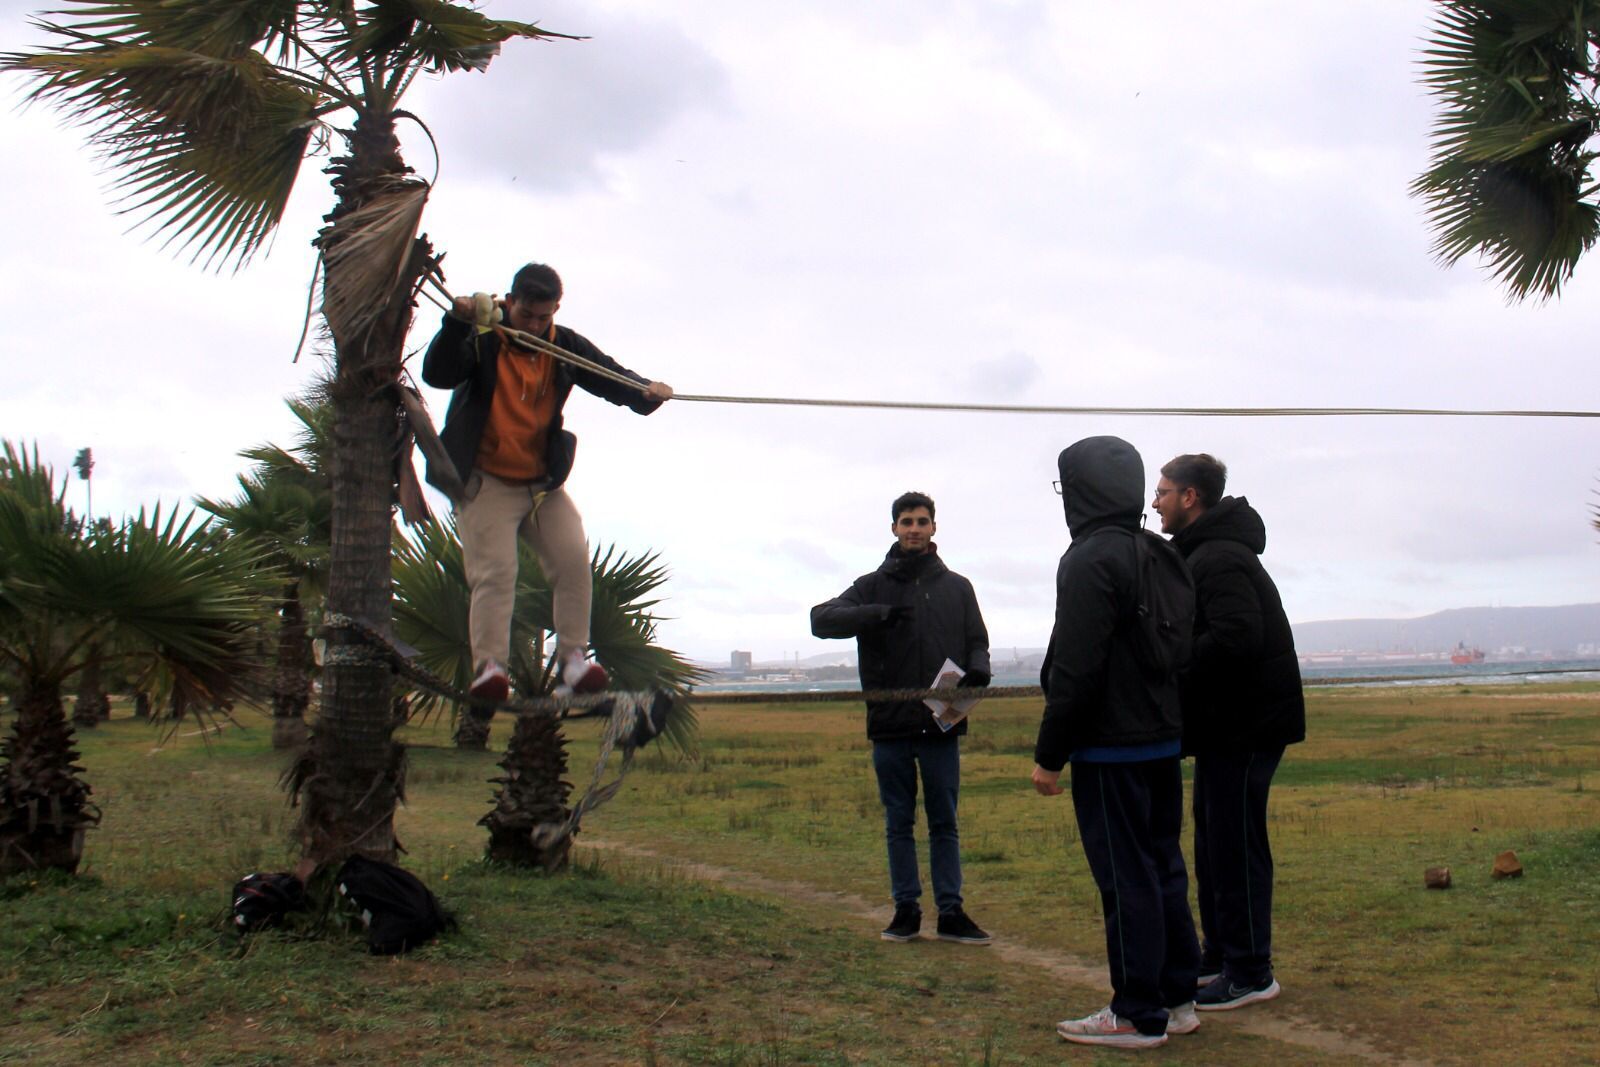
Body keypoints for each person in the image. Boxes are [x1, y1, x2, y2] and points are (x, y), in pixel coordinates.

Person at [421, 263, 673, 704]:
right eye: (527, 316)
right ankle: (490, 670)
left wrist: (644, 391)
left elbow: (606, 375)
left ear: (556, 309)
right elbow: (438, 375)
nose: (535, 326)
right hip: (486, 483)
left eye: (544, 317)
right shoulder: (482, 333)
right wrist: (455, 322)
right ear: (510, 301)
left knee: (573, 560)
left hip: (541, 486)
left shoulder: (563, 344)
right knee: (496, 573)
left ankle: (574, 662)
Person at [1032, 436, 1200, 1050]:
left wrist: (1050, 754)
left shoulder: (1088, 559)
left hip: (1109, 748)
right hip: (1161, 738)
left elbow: (1076, 667)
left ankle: (1135, 1012)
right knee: (1163, 870)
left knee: (1126, 877)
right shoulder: (1160, 552)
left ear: (1078, 490)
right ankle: (1178, 998)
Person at [1153, 453, 1305, 1011]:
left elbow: (1237, 636)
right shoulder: (1202, 554)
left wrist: (1173, 663)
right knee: (1215, 841)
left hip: (1246, 727)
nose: (1155, 502)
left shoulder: (1219, 559)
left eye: (1164, 491)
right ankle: (1220, 955)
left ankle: (1250, 970)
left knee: (1236, 844)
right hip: (1226, 728)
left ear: (1190, 497)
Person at [810, 491, 993, 945]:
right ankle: (906, 910)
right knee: (899, 821)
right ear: (893, 528)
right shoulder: (870, 586)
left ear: (934, 529)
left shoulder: (958, 587)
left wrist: (981, 667)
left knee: (944, 821)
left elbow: (977, 639)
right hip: (890, 724)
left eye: (922, 521)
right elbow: (821, 620)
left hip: (941, 721)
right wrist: (875, 615)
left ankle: (951, 912)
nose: (914, 528)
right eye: (906, 521)